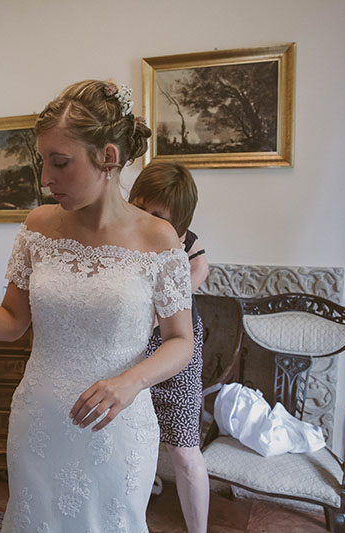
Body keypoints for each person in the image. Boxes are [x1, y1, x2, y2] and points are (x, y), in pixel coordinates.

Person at [0, 80, 195, 532]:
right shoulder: (38, 226)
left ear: (107, 157)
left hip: (117, 425)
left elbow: (180, 341)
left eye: (60, 163)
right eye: (42, 162)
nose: (44, 179)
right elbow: (13, 320)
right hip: (40, 420)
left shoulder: (158, 238)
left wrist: (131, 381)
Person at [129, 162, 210, 533]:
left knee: (182, 446)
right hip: (128, 344)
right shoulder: (117, 232)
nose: (145, 219)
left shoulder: (185, 241)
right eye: (139, 206)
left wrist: (161, 313)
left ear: (178, 223)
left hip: (176, 342)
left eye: (157, 215)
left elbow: (200, 271)